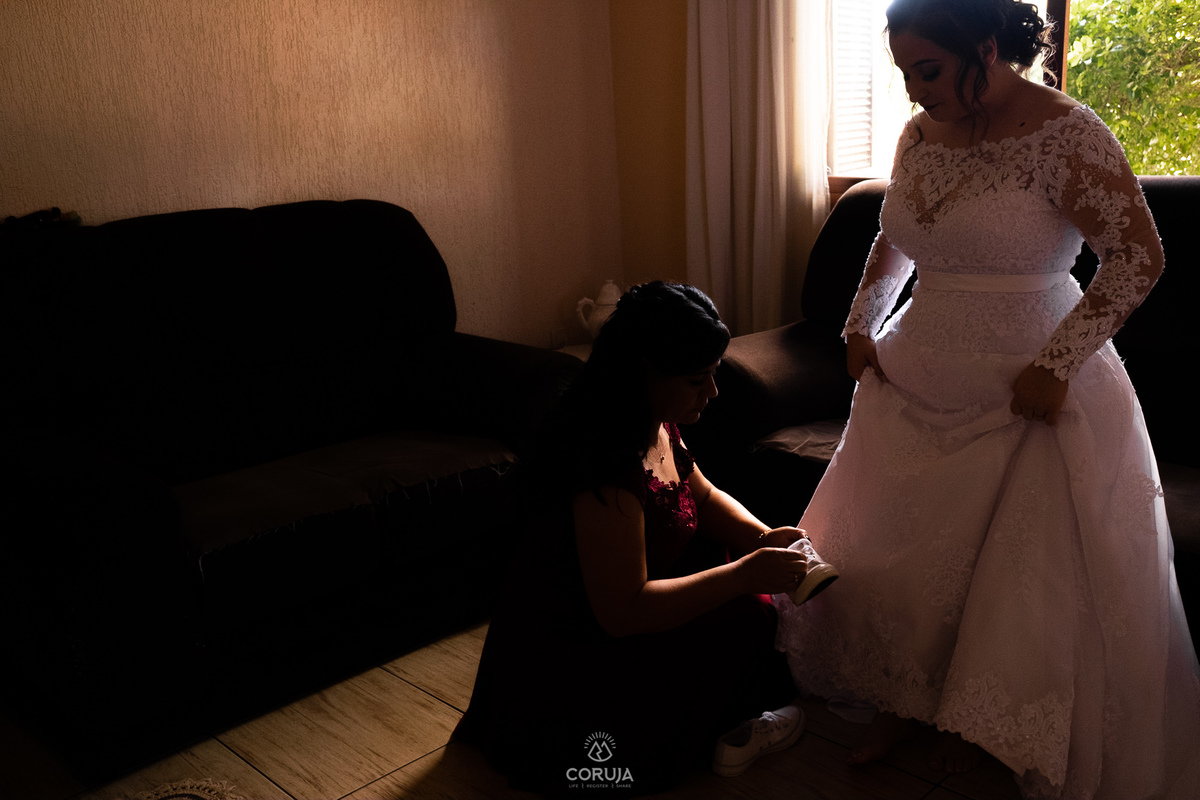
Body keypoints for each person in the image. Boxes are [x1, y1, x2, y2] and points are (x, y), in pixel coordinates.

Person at [773, 1, 1200, 797]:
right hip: (915, 375)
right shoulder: (920, 132)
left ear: (988, 47)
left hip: (1027, 387)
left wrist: (1059, 362)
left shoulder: (1067, 132)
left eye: (928, 70)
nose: (913, 90)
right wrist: (862, 322)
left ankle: (984, 732)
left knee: (1010, 578)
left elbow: (1139, 256)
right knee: (905, 555)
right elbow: (896, 236)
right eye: (905, 72)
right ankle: (901, 697)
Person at [455, 281, 836, 796]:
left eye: (714, 374)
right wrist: (743, 575)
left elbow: (702, 495)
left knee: (742, 580)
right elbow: (622, 612)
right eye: (697, 379)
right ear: (642, 373)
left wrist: (764, 537)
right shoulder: (606, 463)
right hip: (586, 648)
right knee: (748, 613)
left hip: (628, 591)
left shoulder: (653, 418)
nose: (713, 392)